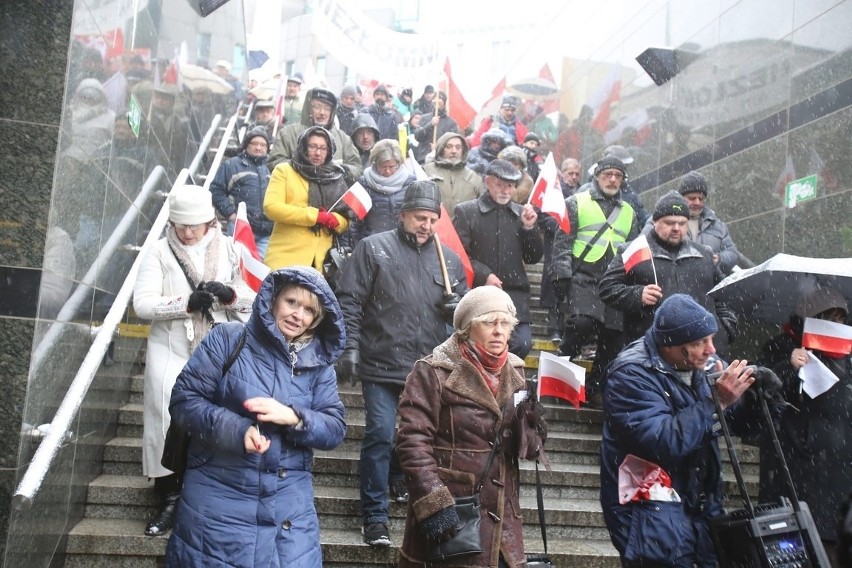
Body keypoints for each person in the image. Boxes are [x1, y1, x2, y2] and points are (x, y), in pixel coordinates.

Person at [163, 266, 347, 567]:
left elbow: (335, 427)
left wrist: (293, 416)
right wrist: (237, 431)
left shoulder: (319, 365)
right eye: (292, 302)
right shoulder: (227, 339)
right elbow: (185, 401)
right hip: (218, 499)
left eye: (309, 310)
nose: (298, 315)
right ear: (272, 300)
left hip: (289, 512)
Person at [335, 180, 468, 548]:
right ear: (402, 214)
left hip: (427, 368)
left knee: (416, 438)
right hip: (380, 361)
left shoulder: (450, 260)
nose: (425, 224)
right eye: (419, 217)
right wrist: (349, 349)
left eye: (431, 218)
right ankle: (374, 517)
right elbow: (349, 300)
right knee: (379, 433)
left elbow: (464, 320)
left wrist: (456, 309)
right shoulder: (372, 248)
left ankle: (397, 475)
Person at [600, 294, 758, 568]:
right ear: (671, 346)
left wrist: (755, 398)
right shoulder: (630, 374)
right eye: (700, 343)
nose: (712, 350)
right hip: (649, 515)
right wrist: (716, 401)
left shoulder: (702, 364)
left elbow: (735, 425)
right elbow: (664, 441)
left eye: (711, 339)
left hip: (699, 507)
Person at [132, 184, 254, 537]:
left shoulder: (232, 249)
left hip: (219, 351)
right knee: (166, 417)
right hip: (172, 349)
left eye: (194, 225)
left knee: (218, 418)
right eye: (180, 225)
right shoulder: (157, 252)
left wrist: (229, 295)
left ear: (209, 221)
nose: (187, 232)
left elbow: (254, 299)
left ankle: (208, 494)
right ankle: (168, 495)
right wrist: (185, 303)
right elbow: (142, 304)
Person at [395, 286, 548, 567]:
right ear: (467, 328)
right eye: (490, 322)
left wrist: (532, 422)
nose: (499, 331)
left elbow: (525, 450)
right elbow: (411, 441)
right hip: (454, 513)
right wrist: (434, 501)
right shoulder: (433, 371)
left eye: (505, 323)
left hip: (503, 519)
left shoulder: (517, 371)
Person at [756, 286, 852, 557]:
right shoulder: (781, 345)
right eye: (829, 317)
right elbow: (760, 396)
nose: (837, 324)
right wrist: (788, 367)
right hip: (795, 460)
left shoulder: (848, 352)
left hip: (841, 463)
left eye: (841, 318)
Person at [599, 191, 735, 357]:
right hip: (651, 353)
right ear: (655, 222)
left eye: (682, 223)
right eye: (670, 223)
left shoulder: (704, 254)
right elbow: (607, 288)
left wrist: (726, 327)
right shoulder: (632, 250)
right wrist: (637, 294)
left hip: (704, 354)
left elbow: (725, 293)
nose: (677, 228)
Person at [552, 156, 640, 406]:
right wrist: (561, 276)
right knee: (581, 324)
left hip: (614, 282)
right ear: (597, 176)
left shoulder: (629, 212)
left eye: (618, 175)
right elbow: (562, 244)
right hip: (584, 277)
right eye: (608, 174)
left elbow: (632, 251)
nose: (613, 179)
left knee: (614, 340)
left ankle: (594, 387)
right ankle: (560, 375)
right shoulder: (576, 202)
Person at [453, 159, 544, 359]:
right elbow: (458, 255)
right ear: (487, 182)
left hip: (514, 294)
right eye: (499, 184)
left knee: (521, 343)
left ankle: (500, 383)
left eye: (510, 186)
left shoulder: (521, 213)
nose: (505, 190)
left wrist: (529, 228)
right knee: (480, 345)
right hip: (479, 293)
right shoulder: (466, 211)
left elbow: (533, 257)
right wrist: (483, 274)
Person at [263, 126, 351, 271]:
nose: (318, 153)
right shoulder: (284, 170)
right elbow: (271, 208)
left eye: (323, 148)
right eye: (313, 146)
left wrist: (335, 220)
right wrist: (315, 216)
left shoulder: (336, 177)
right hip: (285, 257)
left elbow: (346, 217)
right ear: (303, 147)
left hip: (322, 264)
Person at [267, 87, 363, 183]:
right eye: (317, 107)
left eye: (327, 108)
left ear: (332, 112)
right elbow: (274, 162)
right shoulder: (288, 133)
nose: (322, 112)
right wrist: (302, 167)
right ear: (308, 108)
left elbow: (356, 167)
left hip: (331, 194)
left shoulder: (343, 138)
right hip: (297, 193)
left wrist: (338, 170)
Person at [209, 126, 273, 258]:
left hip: (266, 232)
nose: (258, 148)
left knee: (259, 272)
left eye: (263, 145)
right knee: (236, 266)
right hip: (240, 226)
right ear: (246, 145)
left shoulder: (270, 169)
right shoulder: (232, 165)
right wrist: (231, 214)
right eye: (254, 143)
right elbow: (216, 191)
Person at [348, 139, 416, 246]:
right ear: (375, 164)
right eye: (383, 167)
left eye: (392, 167)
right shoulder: (364, 182)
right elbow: (354, 221)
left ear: (398, 163)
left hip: (402, 244)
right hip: (372, 243)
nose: (388, 171)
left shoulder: (411, 182)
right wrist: (357, 246)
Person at [676, 170, 741, 275]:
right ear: (680, 198)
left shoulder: (717, 225)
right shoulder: (663, 221)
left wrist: (718, 259)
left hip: (710, 284)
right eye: (692, 198)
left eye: (701, 198)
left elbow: (733, 253)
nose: (697, 202)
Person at [423, 132, 484, 215]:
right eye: (449, 147)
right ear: (441, 148)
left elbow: (481, 208)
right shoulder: (426, 171)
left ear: (463, 151)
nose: (454, 151)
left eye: (458, 147)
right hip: (433, 224)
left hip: (463, 227)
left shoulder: (473, 177)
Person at [412, 92, 458, 164]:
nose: (436, 100)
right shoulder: (424, 118)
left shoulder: (451, 122)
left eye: (439, 98)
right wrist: (430, 124)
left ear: (444, 101)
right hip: (424, 159)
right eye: (434, 98)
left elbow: (454, 143)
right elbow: (417, 137)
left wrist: (439, 148)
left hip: (443, 161)